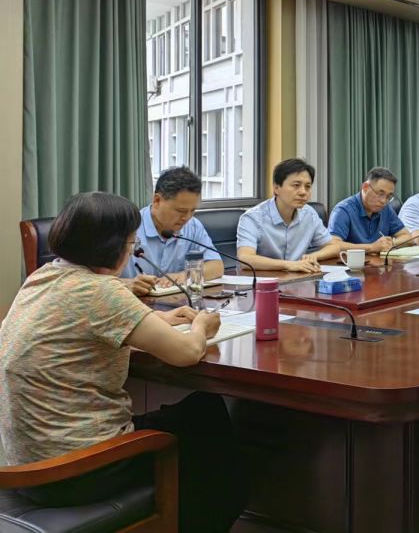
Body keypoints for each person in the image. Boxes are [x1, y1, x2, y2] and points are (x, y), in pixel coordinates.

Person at [0, 192, 246, 532]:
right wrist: (201, 326)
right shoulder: (102, 291)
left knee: (190, 417)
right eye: (132, 243)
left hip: (25, 465)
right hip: (76, 471)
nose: (132, 250)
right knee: (206, 413)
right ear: (114, 246)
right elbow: (188, 353)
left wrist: (161, 321)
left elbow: (84, 329)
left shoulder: (42, 277)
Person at [121, 165, 224, 296]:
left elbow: (217, 266)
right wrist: (127, 284)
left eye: (192, 210)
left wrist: (184, 275)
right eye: (181, 211)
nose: (187, 217)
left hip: (176, 302)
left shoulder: (193, 226)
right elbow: (97, 280)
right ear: (157, 201)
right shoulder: (128, 227)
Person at [237, 158, 341, 272]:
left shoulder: (309, 214)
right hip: (264, 280)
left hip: (298, 278)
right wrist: (288, 265)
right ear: (276, 188)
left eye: (307, 186)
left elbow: (334, 247)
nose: (303, 192)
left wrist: (313, 256)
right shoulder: (253, 218)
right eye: (296, 185)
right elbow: (245, 259)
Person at [329, 166, 416, 254]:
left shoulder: (386, 209)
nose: (383, 201)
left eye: (388, 196)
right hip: (352, 262)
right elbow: (334, 244)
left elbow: (408, 237)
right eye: (380, 194)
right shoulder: (343, 210)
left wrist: (389, 244)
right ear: (365, 188)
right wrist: (371, 247)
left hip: (378, 261)